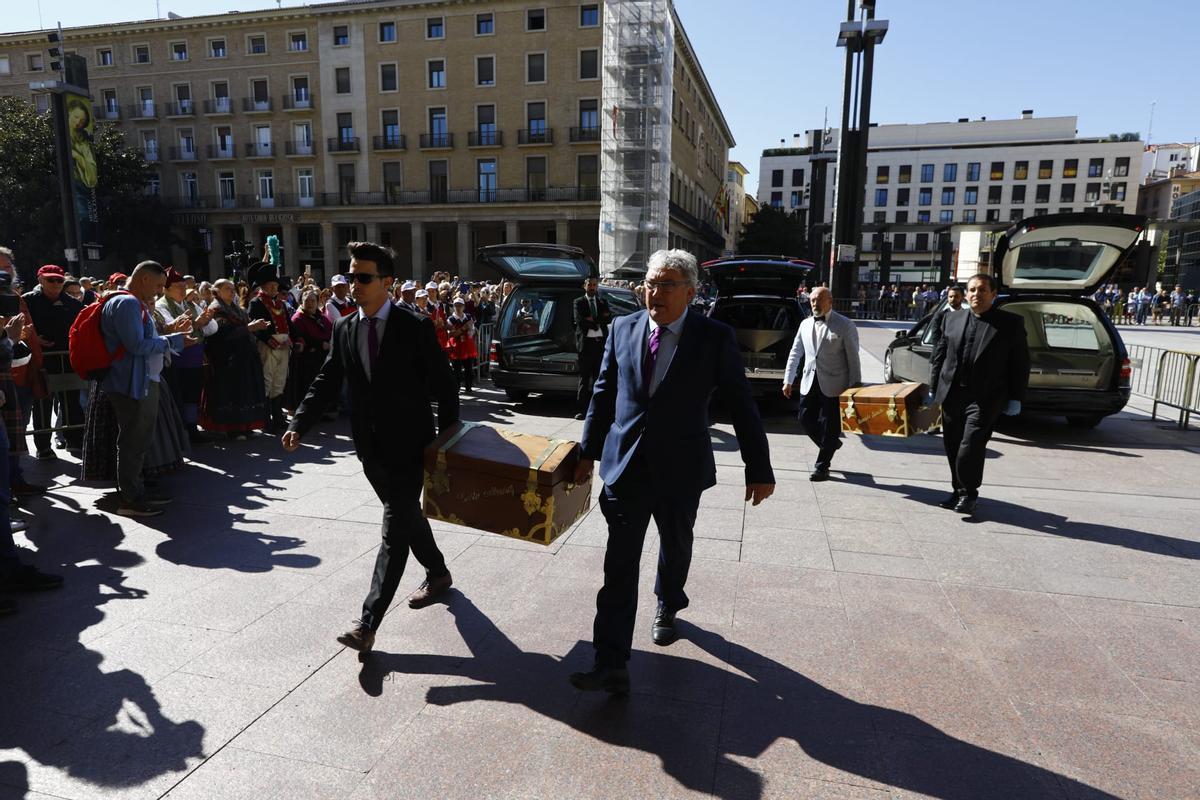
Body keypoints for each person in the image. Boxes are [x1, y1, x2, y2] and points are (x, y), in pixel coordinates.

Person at [568, 249, 775, 694]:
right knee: (619, 565)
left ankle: (668, 603)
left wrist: (758, 467)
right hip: (626, 468)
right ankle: (610, 661)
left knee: (675, 544)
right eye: (649, 283)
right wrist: (587, 452)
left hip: (682, 467)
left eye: (665, 285)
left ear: (689, 291)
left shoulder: (714, 337)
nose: (653, 293)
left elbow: (741, 403)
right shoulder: (623, 329)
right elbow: (603, 394)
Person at [283, 242, 460, 654]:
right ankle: (437, 572)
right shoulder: (344, 327)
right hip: (368, 448)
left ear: (387, 283)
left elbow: (445, 386)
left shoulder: (413, 326)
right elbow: (327, 382)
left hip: (412, 445)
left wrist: (448, 440)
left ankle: (368, 621)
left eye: (364, 277)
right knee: (406, 518)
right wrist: (298, 423)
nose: (354, 284)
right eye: (351, 276)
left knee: (393, 529)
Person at [929, 274, 1029, 517]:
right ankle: (957, 490)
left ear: (993, 294)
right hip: (952, 394)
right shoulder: (951, 319)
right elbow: (939, 356)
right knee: (952, 444)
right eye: (972, 290)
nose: (976, 294)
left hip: (985, 398)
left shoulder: (1010, 323)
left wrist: (1016, 396)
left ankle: (969, 494)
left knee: (970, 445)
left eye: (982, 290)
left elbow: (1021, 362)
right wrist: (933, 388)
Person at [99, 261, 193, 517]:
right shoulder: (127, 303)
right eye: (159, 285)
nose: (160, 292)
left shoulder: (130, 303)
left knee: (137, 441)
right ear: (143, 279)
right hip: (133, 384)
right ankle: (131, 498)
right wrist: (173, 340)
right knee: (133, 441)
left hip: (138, 381)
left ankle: (136, 491)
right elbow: (137, 346)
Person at [781, 286, 862, 481]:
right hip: (810, 380)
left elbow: (853, 357)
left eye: (819, 300)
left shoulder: (845, 325)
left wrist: (855, 385)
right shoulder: (805, 324)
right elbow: (795, 352)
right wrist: (788, 379)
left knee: (830, 424)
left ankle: (822, 466)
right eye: (812, 300)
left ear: (830, 302)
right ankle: (831, 444)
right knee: (804, 418)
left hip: (836, 383)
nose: (815, 303)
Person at [23, 264, 85, 458]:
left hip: (68, 361)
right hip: (41, 363)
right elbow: (18, 327)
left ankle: (74, 441)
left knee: (72, 402)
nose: (56, 283)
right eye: (51, 279)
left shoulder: (73, 303)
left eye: (60, 280)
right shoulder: (27, 302)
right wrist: (34, 340)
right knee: (42, 404)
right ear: (40, 280)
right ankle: (43, 447)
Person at [199, 279, 271, 439]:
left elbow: (243, 327)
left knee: (244, 391)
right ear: (216, 291)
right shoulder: (215, 309)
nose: (232, 292)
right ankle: (232, 428)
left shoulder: (236, 308)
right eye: (227, 289)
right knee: (231, 392)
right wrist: (249, 328)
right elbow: (222, 334)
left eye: (233, 289)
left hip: (242, 356)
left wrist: (256, 326)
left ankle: (246, 425)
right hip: (226, 358)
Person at [156, 268, 217, 441]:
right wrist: (197, 324)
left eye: (185, 286)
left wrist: (204, 321)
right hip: (177, 359)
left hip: (194, 357)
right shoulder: (161, 305)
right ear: (166, 289)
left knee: (193, 393)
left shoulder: (190, 304)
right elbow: (173, 331)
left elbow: (212, 328)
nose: (184, 290)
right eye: (178, 287)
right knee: (179, 394)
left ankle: (191, 428)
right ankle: (181, 430)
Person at [247, 263, 293, 434]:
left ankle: (278, 416)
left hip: (284, 346)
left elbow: (289, 324)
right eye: (272, 286)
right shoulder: (256, 302)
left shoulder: (281, 303)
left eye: (276, 286)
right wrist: (271, 342)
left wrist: (297, 338)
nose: (275, 288)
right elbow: (256, 328)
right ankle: (265, 419)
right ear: (263, 286)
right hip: (268, 346)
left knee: (280, 381)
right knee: (267, 380)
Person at [287, 289, 334, 417]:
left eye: (313, 300)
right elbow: (299, 337)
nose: (310, 303)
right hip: (306, 360)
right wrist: (319, 345)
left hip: (322, 358)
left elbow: (331, 331)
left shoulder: (321, 317)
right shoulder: (297, 318)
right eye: (306, 300)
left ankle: (320, 410)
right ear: (301, 302)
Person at [573, 278, 611, 421]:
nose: (592, 287)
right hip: (585, 347)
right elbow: (580, 320)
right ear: (585, 286)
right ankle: (581, 410)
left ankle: (597, 410)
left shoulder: (602, 302)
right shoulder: (579, 302)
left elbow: (608, 318)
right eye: (590, 285)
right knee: (584, 380)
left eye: (595, 285)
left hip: (600, 346)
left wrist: (593, 321)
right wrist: (597, 323)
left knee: (598, 379)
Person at [445, 297, 477, 394]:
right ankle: (457, 387)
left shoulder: (468, 317)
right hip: (456, 346)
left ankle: (468, 386)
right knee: (457, 369)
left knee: (469, 368)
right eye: (456, 305)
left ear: (464, 306)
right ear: (453, 307)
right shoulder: (450, 319)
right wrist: (463, 329)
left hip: (467, 345)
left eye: (460, 305)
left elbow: (472, 330)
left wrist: (470, 330)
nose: (458, 307)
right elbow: (451, 334)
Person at [929, 285, 966, 349]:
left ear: (962, 298)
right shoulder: (940, 316)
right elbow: (935, 339)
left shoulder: (967, 315)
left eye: (956, 296)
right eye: (950, 297)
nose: (953, 299)